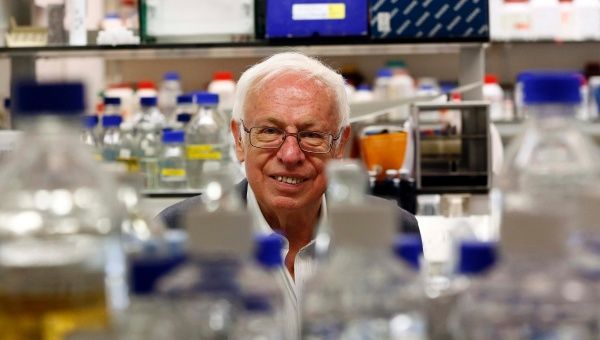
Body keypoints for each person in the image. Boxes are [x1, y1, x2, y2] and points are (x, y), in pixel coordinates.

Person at [158, 51, 419, 303]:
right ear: (239, 140)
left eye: (312, 135)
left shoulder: (393, 230)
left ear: (340, 145)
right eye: (269, 131)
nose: (291, 155)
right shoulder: (177, 233)